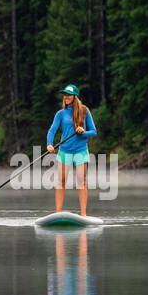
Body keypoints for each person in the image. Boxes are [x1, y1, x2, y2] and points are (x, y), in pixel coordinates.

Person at [45, 84, 98, 215]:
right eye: (65, 95)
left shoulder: (84, 111)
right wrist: (49, 144)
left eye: (69, 95)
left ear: (75, 96)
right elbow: (52, 130)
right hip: (64, 151)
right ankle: (58, 213)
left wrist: (83, 132)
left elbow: (94, 132)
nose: (66, 97)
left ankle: (84, 214)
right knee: (61, 182)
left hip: (80, 151)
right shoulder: (60, 113)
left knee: (82, 182)